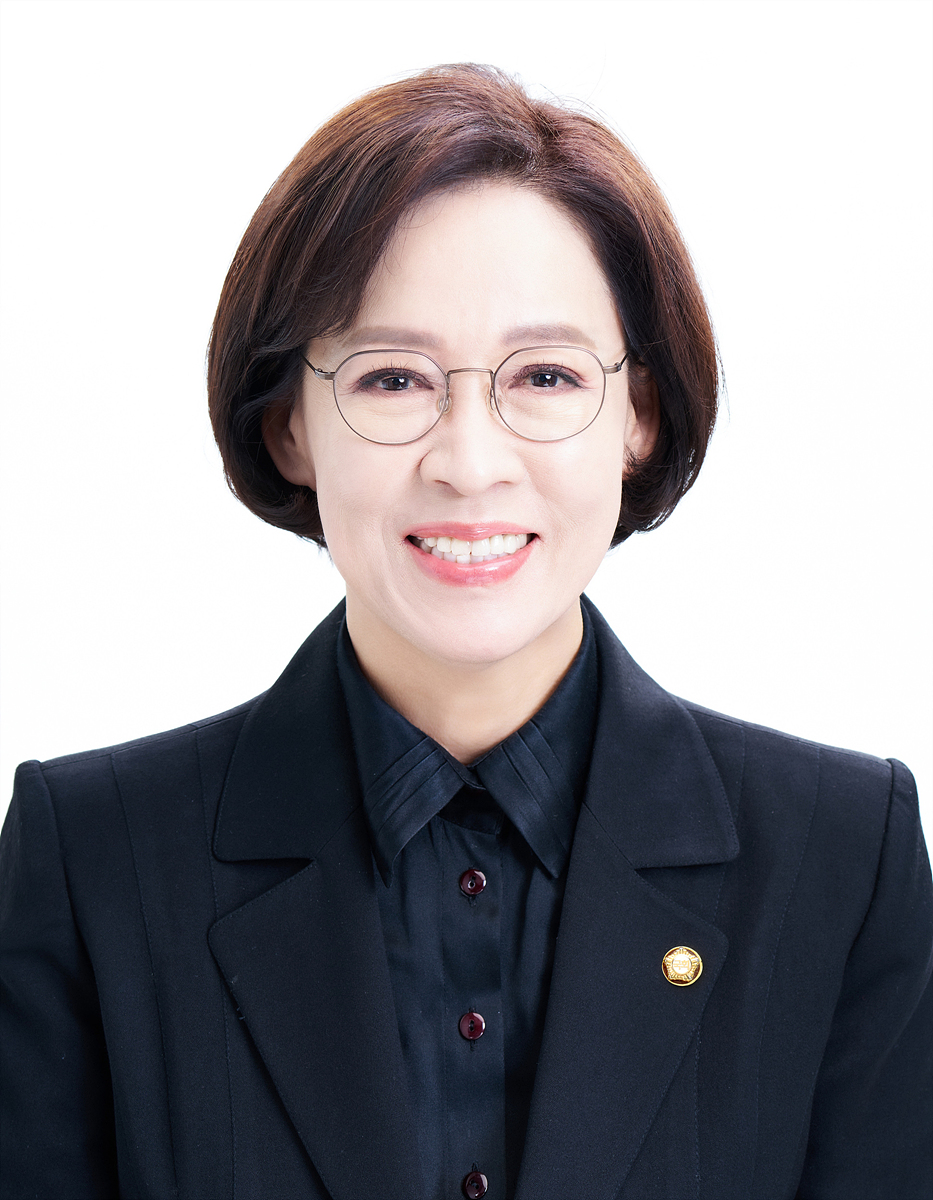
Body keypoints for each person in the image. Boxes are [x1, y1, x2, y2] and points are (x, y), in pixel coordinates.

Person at [1, 63, 930, 1200]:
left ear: (637, 416)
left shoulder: (840, 861)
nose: (470, 461)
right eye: (394, 380)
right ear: (290, 426)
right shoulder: (94, 862)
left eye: (546, 375)